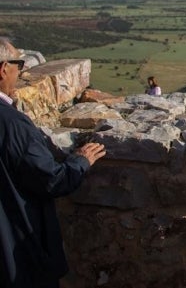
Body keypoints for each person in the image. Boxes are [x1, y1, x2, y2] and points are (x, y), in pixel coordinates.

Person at [0, 37, 106, 288]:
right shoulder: (12, 124)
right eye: (19, 64)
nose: (21, 71)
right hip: (17, 253)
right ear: (4, 68)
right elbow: (51, 179)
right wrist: (80, 161)